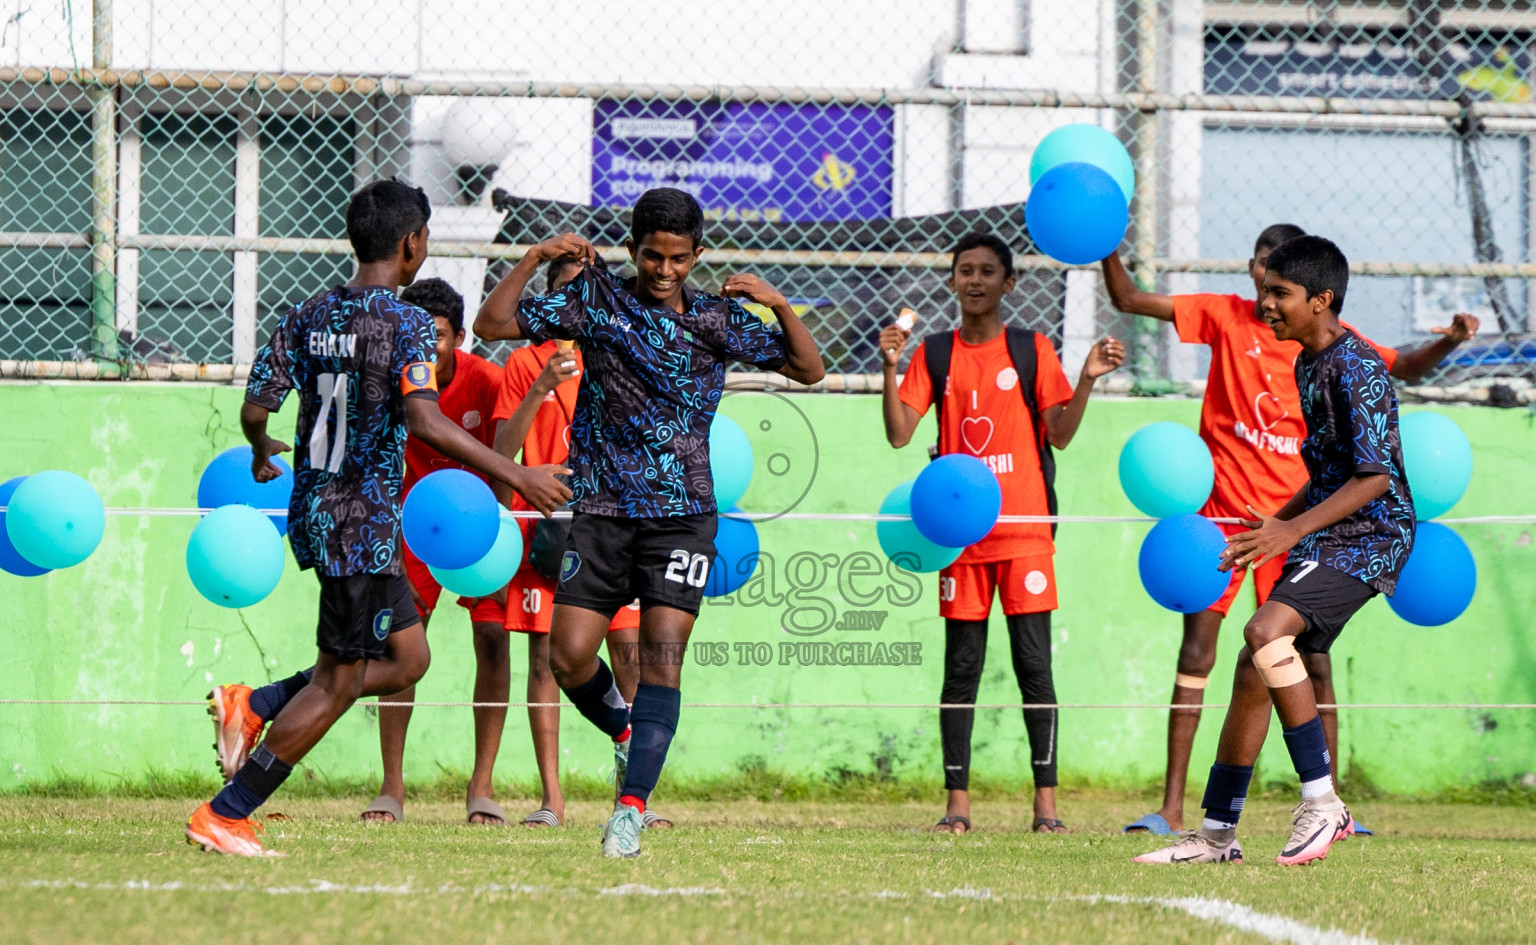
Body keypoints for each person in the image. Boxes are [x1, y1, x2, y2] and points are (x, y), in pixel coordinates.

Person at [187, 180, 571, 857]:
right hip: (358, 525)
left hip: (328, 513)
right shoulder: (408, 324)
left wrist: (258, 449)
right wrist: (515, 474)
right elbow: (424, 417)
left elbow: (256, 407)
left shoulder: (307, 312)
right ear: (412, 243)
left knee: (408, 657)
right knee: (339, 679)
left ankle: (259, 703)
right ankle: (228, 810)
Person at [474, 186, 825, 857]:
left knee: (662, 658)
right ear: (633, 250)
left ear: (698, 254)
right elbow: (493, 326)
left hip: (682, 517)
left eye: (679, 258)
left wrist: (778, 305)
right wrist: (533, 256)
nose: (665, 270)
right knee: (567, 654)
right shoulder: (598, 299)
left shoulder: (721, 320)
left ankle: (630, 811)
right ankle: (626, 735)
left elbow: (809, 369)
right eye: (653, 256)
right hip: (604, 511)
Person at [1102, 226, 1478, 835]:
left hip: (1369, 537)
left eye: (1279, 290)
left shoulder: (1357, 366)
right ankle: (1216, 832)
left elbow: (1375, 478)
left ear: (1320, 300)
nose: (1265, 300)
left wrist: (1288, 529)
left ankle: (1324, 804)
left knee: (1265, 631)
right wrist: (1282, 522)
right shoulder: (1309, 361)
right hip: (1311, 527)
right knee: (1256, 663)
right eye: (1264, 283)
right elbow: (1328, 469)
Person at [879, 232, 1125, 835]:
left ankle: (1046, 807)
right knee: (960, 669)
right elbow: (898, 433)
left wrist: (1087, 378)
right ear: (952, 281)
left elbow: (1059, 434)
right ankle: (957, 807)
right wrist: (890, 368)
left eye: (988, 271)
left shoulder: (1031, 349)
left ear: (1008, 284)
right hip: (959, 541)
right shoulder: (935, 353)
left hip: (1025, 537)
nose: (975, 280)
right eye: (965, 270)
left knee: (1033, 667)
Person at [489, 254, 665, 830]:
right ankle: (552, 800)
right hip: (547, 527)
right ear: (547, 299)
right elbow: (503, 451)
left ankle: (632, 797)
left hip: (613, 521)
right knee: (546, 659)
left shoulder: (621, 347)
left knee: (630, 655)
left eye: (585, 289)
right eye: (564, 290)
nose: (575, 300)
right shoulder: (524, 359)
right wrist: (542, 385)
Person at [355, 277, 512, 826]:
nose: (426, 345)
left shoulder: (487, 381)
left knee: (493, 639)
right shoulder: (392, 381)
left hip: (480, 530)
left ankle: (482, 785)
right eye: (416, 333)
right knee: (398, 651)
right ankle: (392, 787)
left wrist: (500, 519)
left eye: (438, 336)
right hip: (413, 529)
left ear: (461, 337)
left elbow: (507, 450)